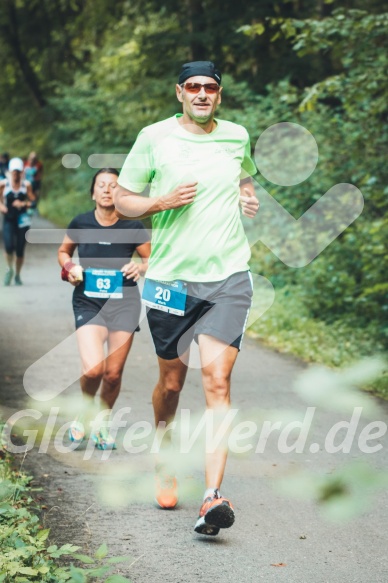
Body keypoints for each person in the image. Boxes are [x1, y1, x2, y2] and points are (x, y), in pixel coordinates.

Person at [114, 61, 259, 535]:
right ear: (179, 92)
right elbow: (122, 200)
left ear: (219, 95)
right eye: (193, 87)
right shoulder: (154, 137)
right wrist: (160, 202)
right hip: (172, 281)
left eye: (210, 88)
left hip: (228, 278)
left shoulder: (236, 135)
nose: (201, 93)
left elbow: (243, 174)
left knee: (217, 384)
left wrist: (246, 194)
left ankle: (212, 497)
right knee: (172, 386)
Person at [58, 168, 151, 450]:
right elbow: (64, 251)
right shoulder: (81, 222)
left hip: (124, 303)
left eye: (113, 185)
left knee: (112, 373)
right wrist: (70, 266)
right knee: (94, 368)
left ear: (121, 192)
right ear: (93, 192)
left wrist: (141, 265)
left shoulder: (133, 226)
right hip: (88, 301)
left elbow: (153, 260)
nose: (107, 189)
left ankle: (102, 420)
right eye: (101, 185)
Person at [0, 157, 35, 285]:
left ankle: (18, 275)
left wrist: (23, 203)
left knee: (20, 249)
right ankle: (9, 269)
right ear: (10, 171)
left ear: (21, 172)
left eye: (18, 172)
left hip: (22, 220)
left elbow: (33, 202)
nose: (16, 174)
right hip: (9, 219)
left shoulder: (26, 185)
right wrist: (2, 206)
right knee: (9, 246)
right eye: (13, 171)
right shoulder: (4, 184)